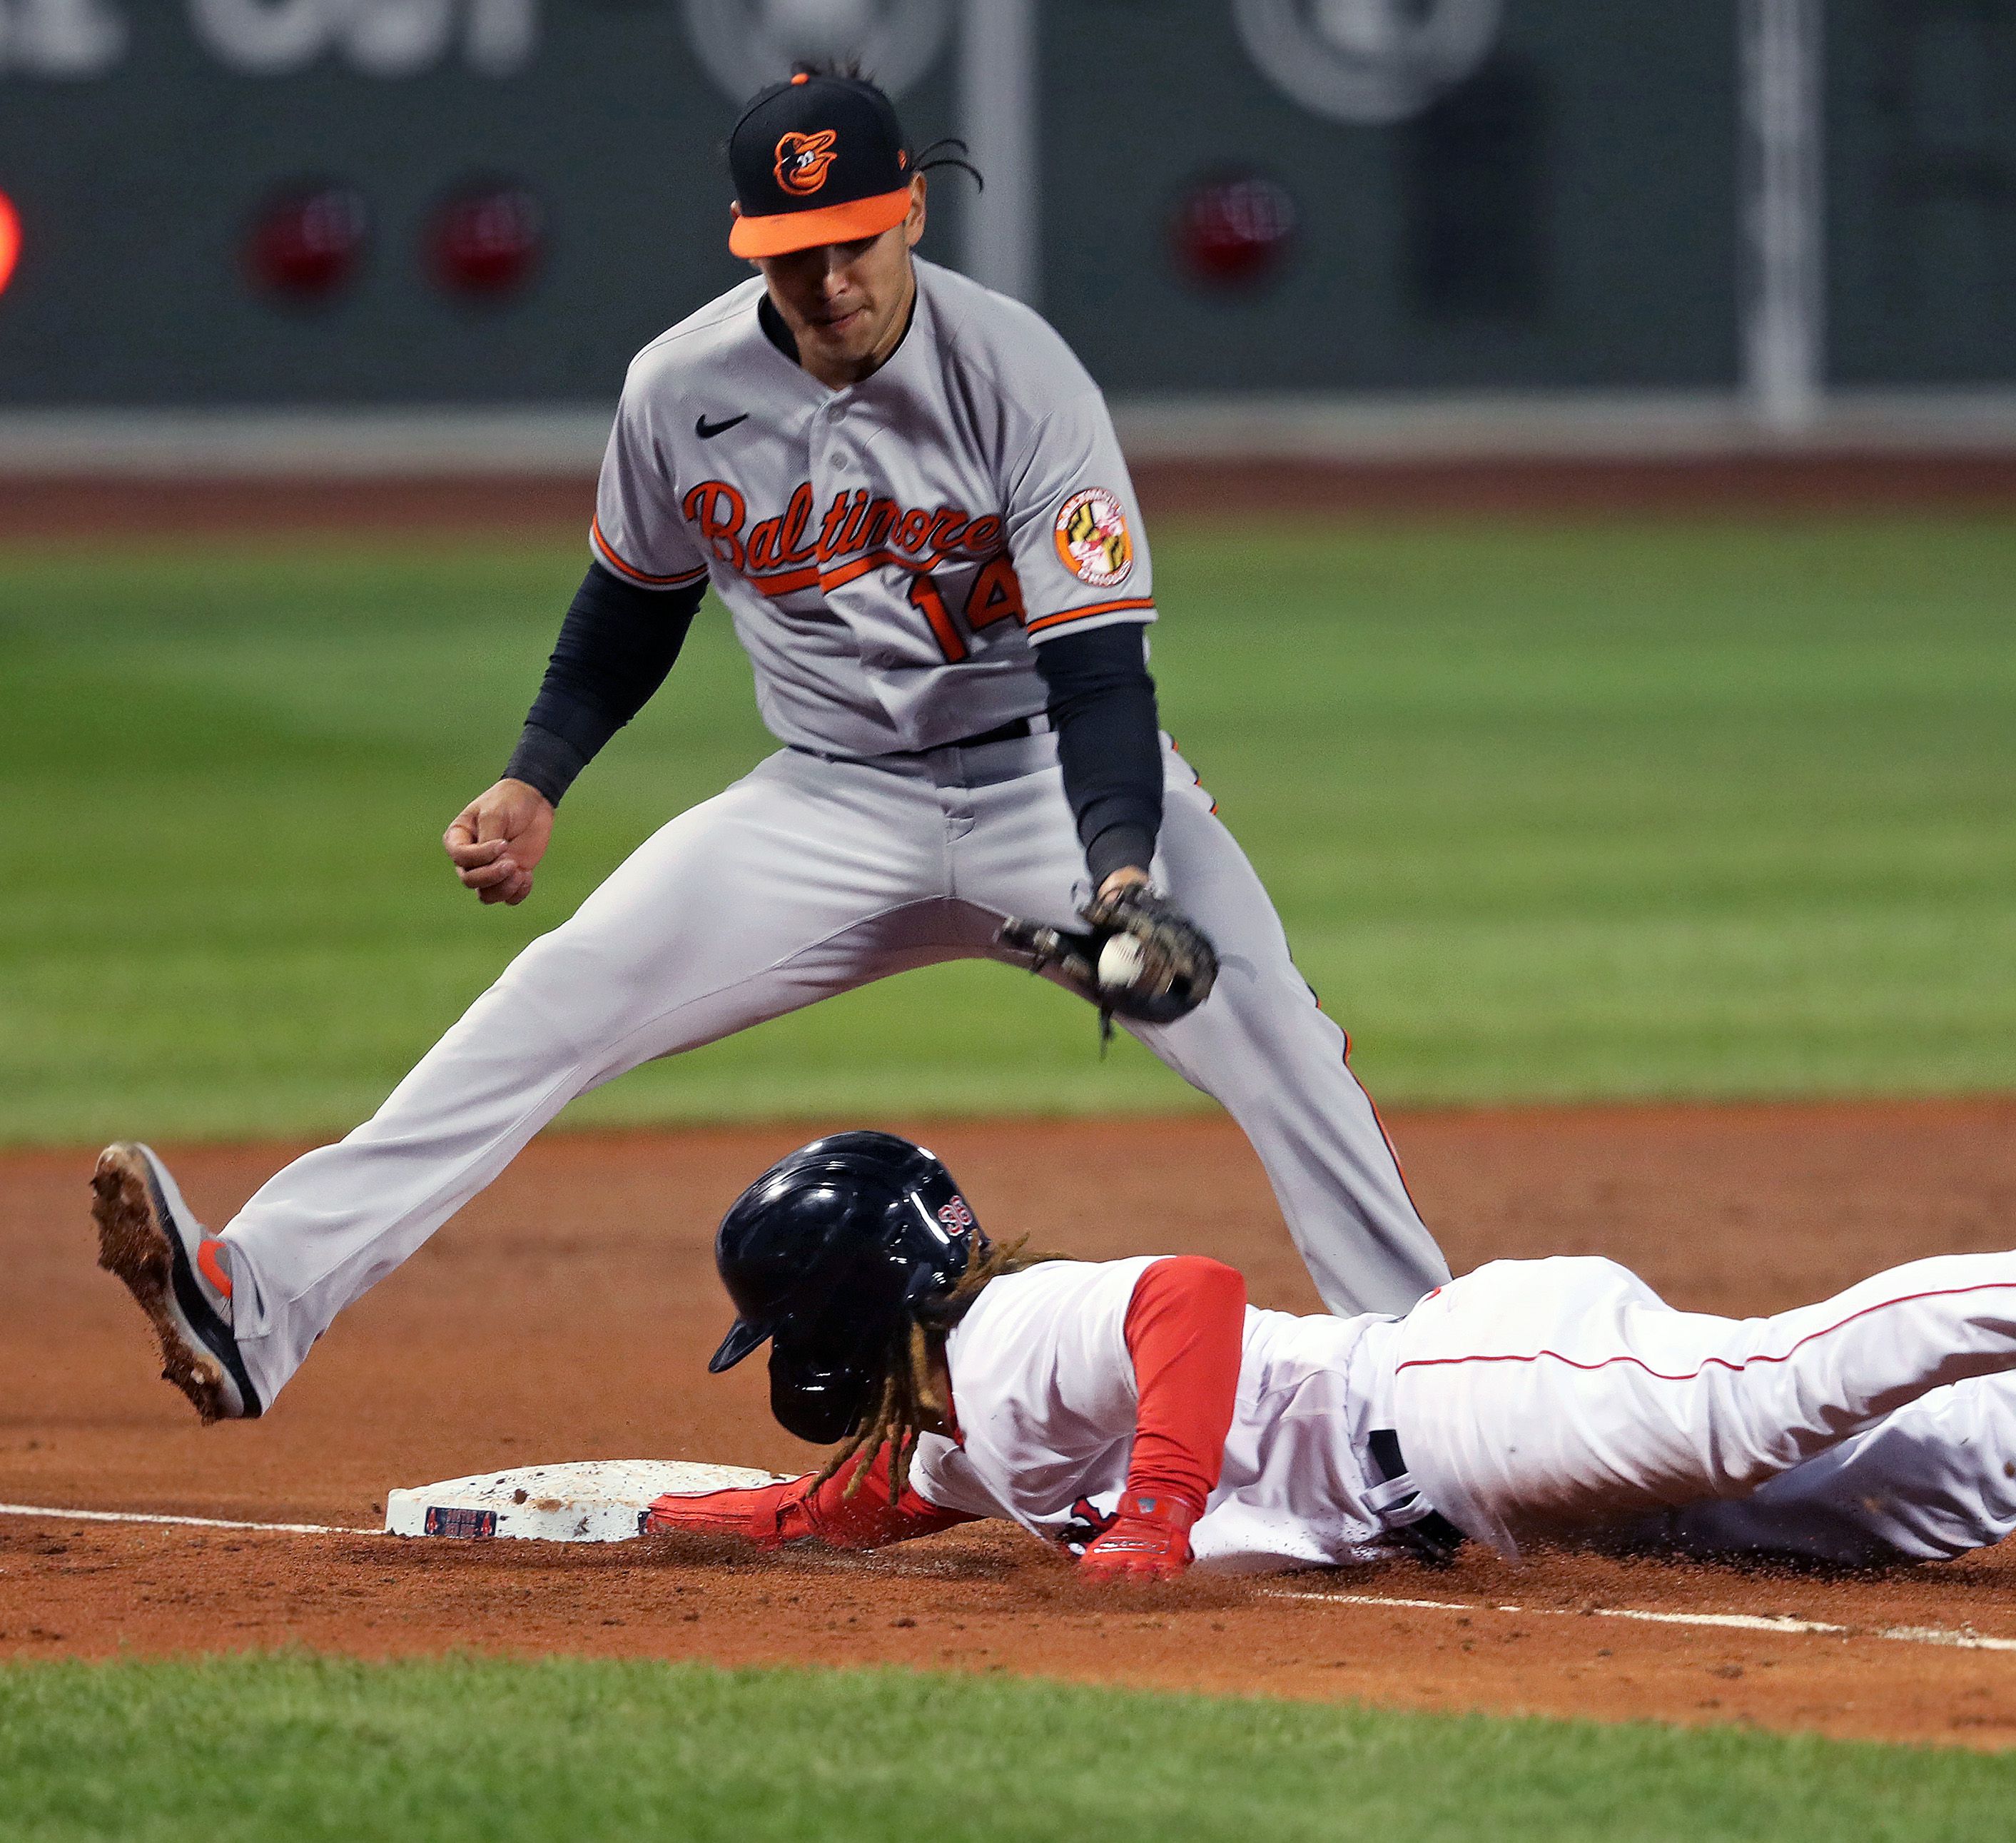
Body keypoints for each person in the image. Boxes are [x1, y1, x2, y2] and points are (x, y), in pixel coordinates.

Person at [88, 64, 1447, 1426]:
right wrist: (536, 774)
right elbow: (630, 602)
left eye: (853, 239)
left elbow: (1099, 672)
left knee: (1282, 1041)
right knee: (555, 999)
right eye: (793, 253)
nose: (829, 278)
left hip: (1046, 779)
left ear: (911, 209)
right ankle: (255, 1298)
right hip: (829, 806)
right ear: (751, 244)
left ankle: (1433, 1386)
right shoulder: (680, 387)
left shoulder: (1022, 379)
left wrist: (1119, 876)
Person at [645, 1117, 2016, 1578]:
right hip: (1497, 1473)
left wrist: (1158, 1509)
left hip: (1462, 1403)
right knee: (1943, 1490)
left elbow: (1187, 1295)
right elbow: (842, 1515)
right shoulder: (964, 1430)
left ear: (831, 1317)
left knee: (1768, 1386)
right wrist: (670, 1527)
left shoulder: (1015, 1326)